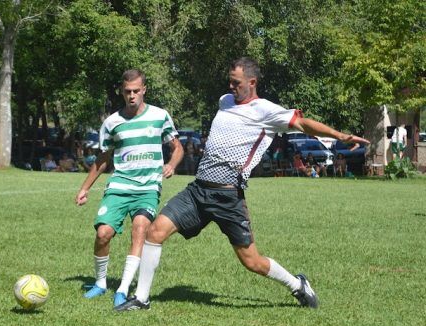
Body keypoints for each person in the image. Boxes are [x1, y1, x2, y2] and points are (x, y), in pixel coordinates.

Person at [115, 57, 369, 311]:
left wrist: (340, 136)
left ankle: (297, 285)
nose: (231, 86)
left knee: (252, 261)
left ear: (252, 82)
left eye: (236, 83)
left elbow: (303, 124)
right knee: (155, 232)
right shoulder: (225, 102)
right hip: (199, 190)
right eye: (230, 81)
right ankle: (141, 298)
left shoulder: (266, 111)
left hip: (228, 197)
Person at [75, 69, 184, 307]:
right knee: (103, 234)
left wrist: (172, 165)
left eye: (136, 90)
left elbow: (177, 148)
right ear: (121, 92)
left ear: (144, 89)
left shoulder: (160, 116)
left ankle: (123, 289)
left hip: (148, 187)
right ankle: (101, 283)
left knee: (140, 228)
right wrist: (84, 188)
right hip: (119, 185)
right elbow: (103, 160)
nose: (132, 95)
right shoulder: (112, 122)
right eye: (127, 92)